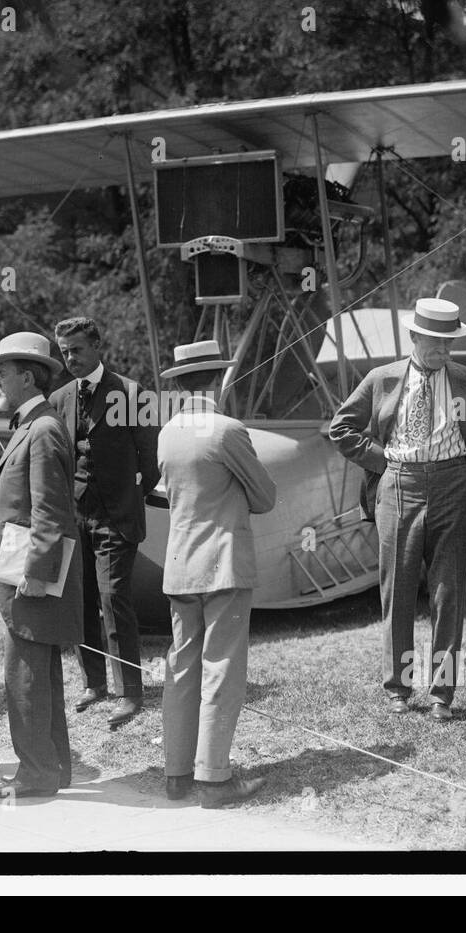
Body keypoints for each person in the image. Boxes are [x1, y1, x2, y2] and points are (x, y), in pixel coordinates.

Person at [329, 297, 466, 721]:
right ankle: (398, 688)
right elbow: (340, 427)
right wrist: (382, 461)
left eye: (449, 343)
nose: (443, 351)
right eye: (434, 342)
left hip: (455, 485)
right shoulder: (382, 379)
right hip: (398, 484)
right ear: (413, 336)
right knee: (396, 588)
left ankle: (441, 695)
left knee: (449, 590)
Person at [157, 340, 276, 807]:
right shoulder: (228, 430)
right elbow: (265, 497)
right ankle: (213, 780)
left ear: (181, 383)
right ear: (218, 379)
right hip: (223, 565)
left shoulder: (166, 433)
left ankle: (176, 774)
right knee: (221, 670)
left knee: (181, 669)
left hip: (180, 566)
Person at [0, 332, 84, 799]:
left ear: (27, 376)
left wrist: (38, 575)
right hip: (25, 574)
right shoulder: (36, 425)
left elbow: (51, 510)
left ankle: (35, 773)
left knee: (24, 676)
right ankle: (52, 769)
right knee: (38, 676)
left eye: (2, 373)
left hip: (30, 578)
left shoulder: (40, 430)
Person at [49, 316, 161, 729]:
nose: (71, 358)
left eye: (77, 349)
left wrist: (127, 495)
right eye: (64, 352)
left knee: (114, 597)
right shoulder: (58, 398)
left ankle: (130, 692)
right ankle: (93, 683)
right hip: (74, 518)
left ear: (98, 347)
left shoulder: (132, 394)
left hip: (117, 518)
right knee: (81, 601)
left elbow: (151, 464)